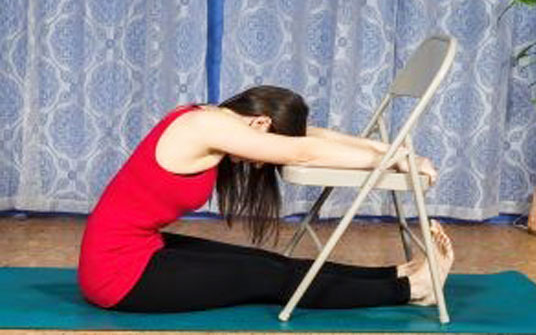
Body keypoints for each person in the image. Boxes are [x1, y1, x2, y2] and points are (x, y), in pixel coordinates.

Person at [78, 85, 454, 313]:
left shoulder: (211, 117)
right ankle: (411, 291)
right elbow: (303, 152)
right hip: (118, 275)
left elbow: (315, 137)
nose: (260, 163)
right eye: (267, 149)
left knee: (269, 262)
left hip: (138, 248)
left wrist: (394, 152)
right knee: (268, 277)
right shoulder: (205, 126)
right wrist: (393, 160)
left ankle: (398, 273)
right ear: (261, 124)